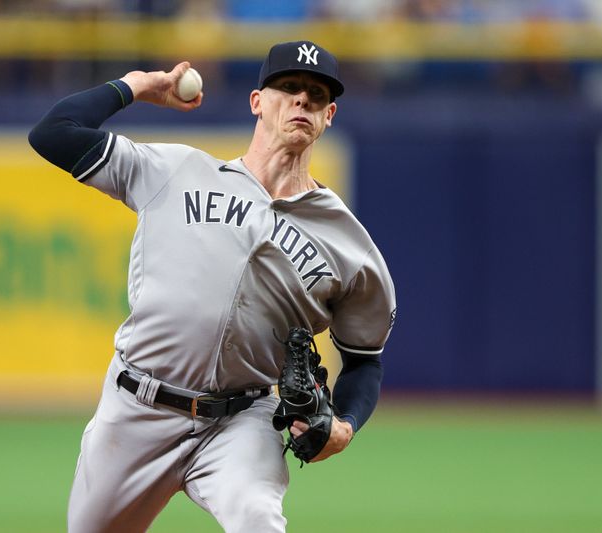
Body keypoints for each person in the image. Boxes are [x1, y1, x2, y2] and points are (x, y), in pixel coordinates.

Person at [29, 40, 396, 533]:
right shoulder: (176, 172)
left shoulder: (351, 246)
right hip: (137, 408)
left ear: (330, 114)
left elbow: (363, 360)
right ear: (257, 102)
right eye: (288, 87)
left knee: (257, 518)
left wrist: (345, 426)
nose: (302, 100)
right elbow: (53, 134)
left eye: (316, 93)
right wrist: (138, 84)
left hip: (242, 421)